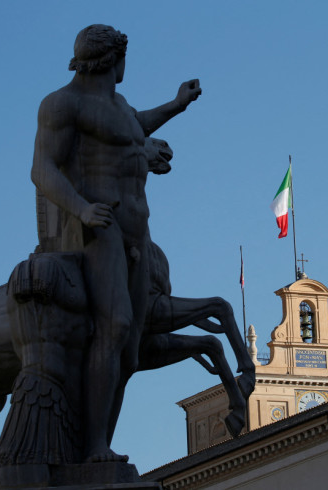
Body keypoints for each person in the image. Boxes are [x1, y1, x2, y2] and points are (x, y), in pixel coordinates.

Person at [31, 24, 201, 463]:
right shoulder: (61, 103)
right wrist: (82, 208)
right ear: (113, 59)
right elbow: (42, 169)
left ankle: (99, 443)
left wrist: (177, 105)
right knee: (116, 326)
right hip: (98, 228)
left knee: (130, 347)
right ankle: (93, 448)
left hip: (136, 231)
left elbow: (135, 127)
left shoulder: (118, 105)